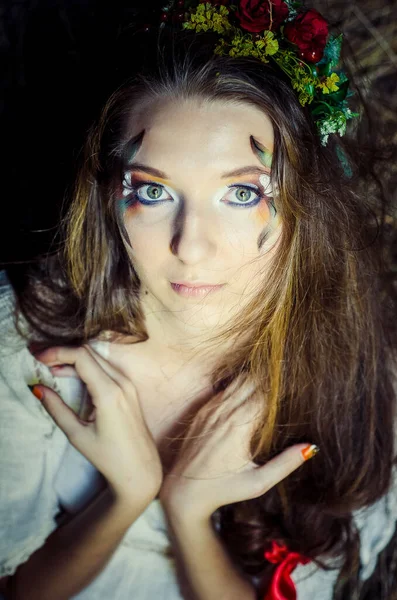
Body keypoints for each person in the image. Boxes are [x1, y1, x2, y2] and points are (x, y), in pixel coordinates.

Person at [1, 1, 397, 598]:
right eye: (153, 191)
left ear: (305, 208)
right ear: (108, 195)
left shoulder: (356, 383)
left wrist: (189, 516)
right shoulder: (25, 336)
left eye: (241, 192)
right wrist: (128, 496)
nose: (191, 246)